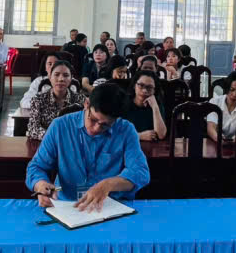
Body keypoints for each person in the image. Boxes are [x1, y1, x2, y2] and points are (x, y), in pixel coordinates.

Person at [27, 82, 149, 211]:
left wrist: (108, 185)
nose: (96, 128)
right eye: (93, 119)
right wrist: (40, 184)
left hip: (110, 207)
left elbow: (140, 172)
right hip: (68, 206)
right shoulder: (60, 126)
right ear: (86, 104)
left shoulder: (125, 130)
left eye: (105, 125)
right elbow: (37, 166)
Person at [27, 60, 87, 141]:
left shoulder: (80, 99)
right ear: (50, 77)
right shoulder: (38, 100)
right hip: (47, 143)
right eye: (56, 74)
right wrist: (55, 137)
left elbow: (86, 127)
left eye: (66, 75)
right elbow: (33, 129)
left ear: (71, 78)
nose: (61, 79)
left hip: (72, 143)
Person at [206, 71, 236, 144]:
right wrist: (217, 137)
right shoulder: (214, 102)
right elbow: (210, 127)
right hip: (216, 144)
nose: (234, 94)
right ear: (227, 87)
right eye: (232, 89)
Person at [120, 71, 167, 142]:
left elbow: (161, 135)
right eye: (141, 85)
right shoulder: (123, 103)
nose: (145, 90)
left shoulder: (156, 105)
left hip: (151, 147)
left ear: (154, 90)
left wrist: (155, 107)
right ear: (134, 86)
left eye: (149, 87)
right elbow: (114, 133)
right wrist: (139, 136)